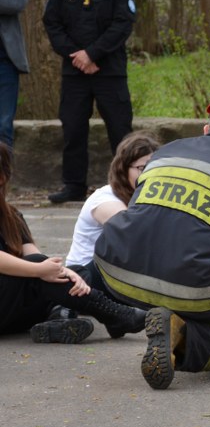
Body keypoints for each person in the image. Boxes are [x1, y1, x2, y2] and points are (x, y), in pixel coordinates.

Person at [94, 90, 210, 390]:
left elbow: (141, 214)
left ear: (207, 128)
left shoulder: (165, 152)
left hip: (116, 271)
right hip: (198, 286)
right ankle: (185, 341)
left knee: (199, 299)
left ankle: (174, 319)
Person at [0, 142, 144, 343]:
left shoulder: (11, 216)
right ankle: (114, 315)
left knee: (73, 272)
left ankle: (59, 319)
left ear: (2, 177)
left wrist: (61, 271)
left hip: (12, 312)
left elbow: (33, 254)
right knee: (43, 271)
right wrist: (41, 270)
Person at [43, 0, 136, 204]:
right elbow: (52, 24)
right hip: (74, 71)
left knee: (120, 129)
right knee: (73, 129)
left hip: (109, 71)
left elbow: (123, 23)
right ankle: (74, 186)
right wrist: (77, 56)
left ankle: (130, 185)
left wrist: (92, 54)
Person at [66, 131, 160, 289]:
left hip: (118, 274)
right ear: (123, 169)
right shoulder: (105, 199)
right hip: (84, 279)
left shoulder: (146, 196)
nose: (149, 174)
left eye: (154, 168)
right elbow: (134, 233)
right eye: (142, 168)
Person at [0, 0, 29, 148]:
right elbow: (9, 1)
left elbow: (18, 1)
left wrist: (10, 0)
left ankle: (3, 165)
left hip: (5, 61)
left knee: (3, 126)